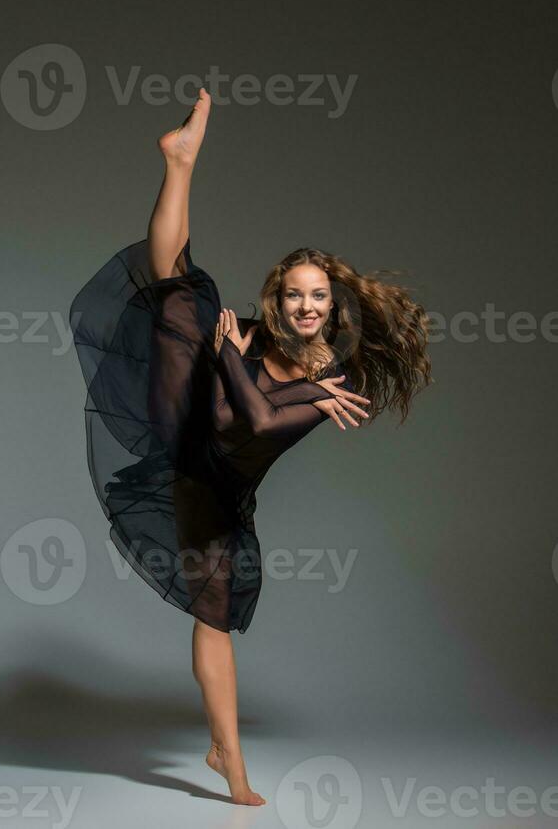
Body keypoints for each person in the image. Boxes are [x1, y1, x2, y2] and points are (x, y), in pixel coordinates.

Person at [69, 88, 432, 806]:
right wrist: (226, 352)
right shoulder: (261, 338)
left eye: (318, 297)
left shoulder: (340, 376)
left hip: (218, 488)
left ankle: (225, 757)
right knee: (174, 289)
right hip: (183, 428)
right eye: (294, 294)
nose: (304, 307)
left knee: (215, 616)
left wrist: (230, 356)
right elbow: (239, 396)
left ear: (335, 305)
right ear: (279, 297)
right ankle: (181, 162)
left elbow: (263, 422)